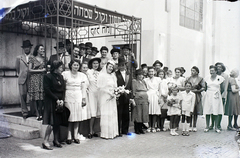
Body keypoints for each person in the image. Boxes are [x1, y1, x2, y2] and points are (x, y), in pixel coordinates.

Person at [42, 60, 69, 150]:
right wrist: (56, 99)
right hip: (51, 101)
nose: (62, 69)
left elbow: (63, 89)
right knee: (51, 122)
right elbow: (47, 90)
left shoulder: (61, 76)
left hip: (59, 101)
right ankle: (45, 141)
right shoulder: (47, 76)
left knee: (57, 121)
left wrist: (62, 100)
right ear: (56, 68)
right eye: (60, 67)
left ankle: (56, 140)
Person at [62, 60, 89, 144]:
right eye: (74, 65)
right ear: (71, 66)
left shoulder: (82, 75)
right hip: (68, 96)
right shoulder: (65, 74)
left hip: (78, 96)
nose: (76, 67)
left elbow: (83, 88)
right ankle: (69, 136)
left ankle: (76, 135)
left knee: (77, 117)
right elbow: (62, 87)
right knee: (70, 117)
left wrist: (83, 99)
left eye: (77, 65)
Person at [97, 60, 119, 139]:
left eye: (112, 67)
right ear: (106, 66)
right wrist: (109, 93)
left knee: (112, 113)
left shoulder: (113, 76)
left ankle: (113, 132)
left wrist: (116, 92)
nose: (110, 68)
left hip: (112, 97)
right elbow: (99, 87)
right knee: (106, 114)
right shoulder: (102, 75)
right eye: (109, 66)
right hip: (105, 96)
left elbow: (115, 86)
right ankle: (105, 133)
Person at [202, 65, 225, 133]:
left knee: (216, 110)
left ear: (216, 71)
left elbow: (222, 89)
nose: (211, 72)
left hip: (216, 95)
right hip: (209, 95)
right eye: (210, 70)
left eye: (212, 71)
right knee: (208, 110)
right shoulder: (207, 78)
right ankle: (207, 126)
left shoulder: (220, 78)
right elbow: (205, 87)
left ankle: (216, 127)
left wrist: (217, 93)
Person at [28, 44, 47, 120]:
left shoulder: (45, 58)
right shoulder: (32, 58)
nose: (43, 50)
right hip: (34, 78)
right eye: (41, 49)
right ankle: (37, 113)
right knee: (36, 97)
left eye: (43, 49)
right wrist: (40, 70)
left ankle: (41, 112)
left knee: (41, 97)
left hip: (42, 78)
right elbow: (29, 70)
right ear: (37, 50)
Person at [15, 40, 33, 119]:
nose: (26, 49)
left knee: (32, 96)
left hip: (31, 79)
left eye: (28, 47)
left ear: (30, 48)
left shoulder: (33, 57)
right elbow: (17, 68)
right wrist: (21, 75)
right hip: (22, 79)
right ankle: (24, 112)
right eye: (25, 47)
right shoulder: (19, 57)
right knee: (23, 95)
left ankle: (33, 111)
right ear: (23, 48)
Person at [115, 57, 132, 136]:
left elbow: (130, 85)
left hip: (127, 96)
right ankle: (118, 130)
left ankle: (125, 130)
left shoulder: (128, 74)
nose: (122, 67)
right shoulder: (116, 74)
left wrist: (130, 95)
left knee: (126, 114)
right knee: (119, 114)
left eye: (123, 65)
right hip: (119, 96)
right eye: (120, 65)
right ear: (118, 66)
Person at [185, 66, 205, 132]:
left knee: (195, 110)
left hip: (197, 95)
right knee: (190, 110)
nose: (192, 72)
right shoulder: (188, 78)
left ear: (197, 72)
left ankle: (194, 125)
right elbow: (185, 86)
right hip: (190, 95)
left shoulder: (200, 79)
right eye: (191, 70)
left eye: (193, 71)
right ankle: (190, 125)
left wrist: (198, 91)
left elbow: (203, 87)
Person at [210, 62, 229, 130]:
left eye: (220, 67)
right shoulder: (213, 75)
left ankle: (218, 124)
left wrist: (223, 95)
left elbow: (225, 87)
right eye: (217, 67)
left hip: (221, 95)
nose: (219, 68)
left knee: (220, 110)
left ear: (222, 68)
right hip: (214, 95)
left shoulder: (225, 76)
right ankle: (212, 124)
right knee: (213, 110)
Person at [86, 57, 101, 139]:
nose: (96, 65)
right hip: (91, 93)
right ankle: (90, 130)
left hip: (98, 94)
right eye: (94, 63)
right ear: (91, 64)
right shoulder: (89, 72)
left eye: (97, 63)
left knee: (98, 112)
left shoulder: (100, 73)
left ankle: (96, 130)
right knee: (92, 112)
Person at [144, 67, 161, 133]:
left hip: (155, 96)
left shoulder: (158, 79)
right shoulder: (145, 80)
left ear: (155, 72)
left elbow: (160, 89)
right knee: (149, 111)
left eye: (152, 71)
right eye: (150, 71)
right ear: (148, 72)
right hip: (148, 95)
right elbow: (145, 89)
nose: (151, 73)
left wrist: (159, 98)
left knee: (154, 112)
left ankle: (153, 126)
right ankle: (149, 126)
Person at [131, 69, 149, 134]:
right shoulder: (134, 81)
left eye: (141, 75)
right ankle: (137, 129)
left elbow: (146, 89)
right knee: (138, 114)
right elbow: (133, 91)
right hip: (138, 99)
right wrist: (133, 99)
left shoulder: (143, 81)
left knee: (143, 114)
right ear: (137, 75)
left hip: (144, 100)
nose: (141, 76)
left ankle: (141, 128)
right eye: (139, 75)